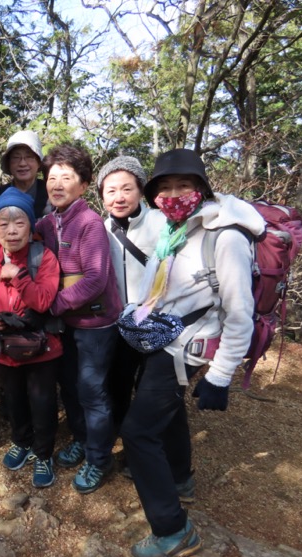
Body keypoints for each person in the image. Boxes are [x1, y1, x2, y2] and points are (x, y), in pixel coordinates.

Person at [119, 148, 265, 557]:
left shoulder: (227, 235)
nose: (173, 193)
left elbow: (241, 315)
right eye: (164, 187)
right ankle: (180, 478)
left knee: (138, 431)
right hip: (166, 338)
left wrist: (220, 377)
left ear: (201, 188)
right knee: (169, 413)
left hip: (190, 345)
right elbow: (165, 289)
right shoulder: (175, 229)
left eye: (184, 185)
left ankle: (172, 530)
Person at [35, 143, 122, 494]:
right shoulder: (47, 222)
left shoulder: (88, 223)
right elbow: (21, 237)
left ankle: (100, 459)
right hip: (67, 325)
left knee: (91, 392)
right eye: (52, 177)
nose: (56, 184)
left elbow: (95, 279)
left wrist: (52, 305)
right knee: (70, 387)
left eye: (66, 178)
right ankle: (83, 441)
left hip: (96, 326)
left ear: (83, 185)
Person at [0, 188, 62, 488]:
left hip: (42, 347)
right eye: (3, 223)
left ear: (31, 225)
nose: (11, 230)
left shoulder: (44, 257)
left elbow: (44, 301)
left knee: (42, 402)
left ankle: (44, 454)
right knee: (13, 401)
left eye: (19, 222)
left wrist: (18, 276)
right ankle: (21, 443)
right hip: (4, 349)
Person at [98, 157, 166, 433]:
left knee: (150, 388)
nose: (119, 197)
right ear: (102, 195)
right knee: (119, 381)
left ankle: (146, 440)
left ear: (141, 191)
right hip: (119, 322)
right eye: (111, 191)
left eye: (127, 189)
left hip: (155, 319)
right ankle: (120, 433)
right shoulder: (100, 230)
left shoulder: (160, 223)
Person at [0, 130, 51, 217]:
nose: (22, 163)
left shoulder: (50, 192)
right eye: (16, 157)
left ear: (39, 162)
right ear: (9, 163)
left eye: (29, 157)